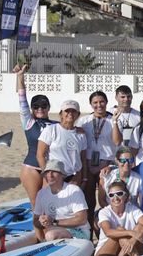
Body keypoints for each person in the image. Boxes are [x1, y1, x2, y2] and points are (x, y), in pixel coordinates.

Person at [37, 99, 89, 208]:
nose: (70, 114)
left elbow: (83, 158)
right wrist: (47, 174)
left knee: (71, 207)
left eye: (73, 111)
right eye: (67, 111)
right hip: (54, 176)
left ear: (78, 115)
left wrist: (84, 178)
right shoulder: (51, 130)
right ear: (61, 113)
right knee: (50, 207)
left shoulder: (81, 134)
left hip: (74, 176)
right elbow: (40, 155)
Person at [14, 66, 53, 204]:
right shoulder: (29, 122)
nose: (40, 109)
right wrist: (20, 77)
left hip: (49, 167)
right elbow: (22, 98)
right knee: (36, 204)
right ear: (32, 109)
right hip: (31, 167)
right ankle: (37, 227)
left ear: (49, 107)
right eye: (36, 107)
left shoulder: (56, 125)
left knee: (48, 202)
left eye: (43, 106)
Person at [33, 159, 90, 242]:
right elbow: (35, 221)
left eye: (54, 172)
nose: (50, 175)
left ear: (62, 175)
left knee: (50, 235)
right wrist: (42, 222)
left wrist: (53, 222)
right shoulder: (41, 193)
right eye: (47, 172)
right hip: (55, 230)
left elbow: (82, 219)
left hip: (79, 232)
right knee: (50, 234)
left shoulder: (74, 191)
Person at [95, 178, 143, 256]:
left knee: (140, 226)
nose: (115, 198)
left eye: (119, 194)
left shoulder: (132, 209)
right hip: (105, 255)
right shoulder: (104, 212)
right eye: (111, 195)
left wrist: (133, 239)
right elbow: (108, 232)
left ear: (126, 196)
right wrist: (130, 233)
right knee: (120, 230)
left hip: (128, 251)